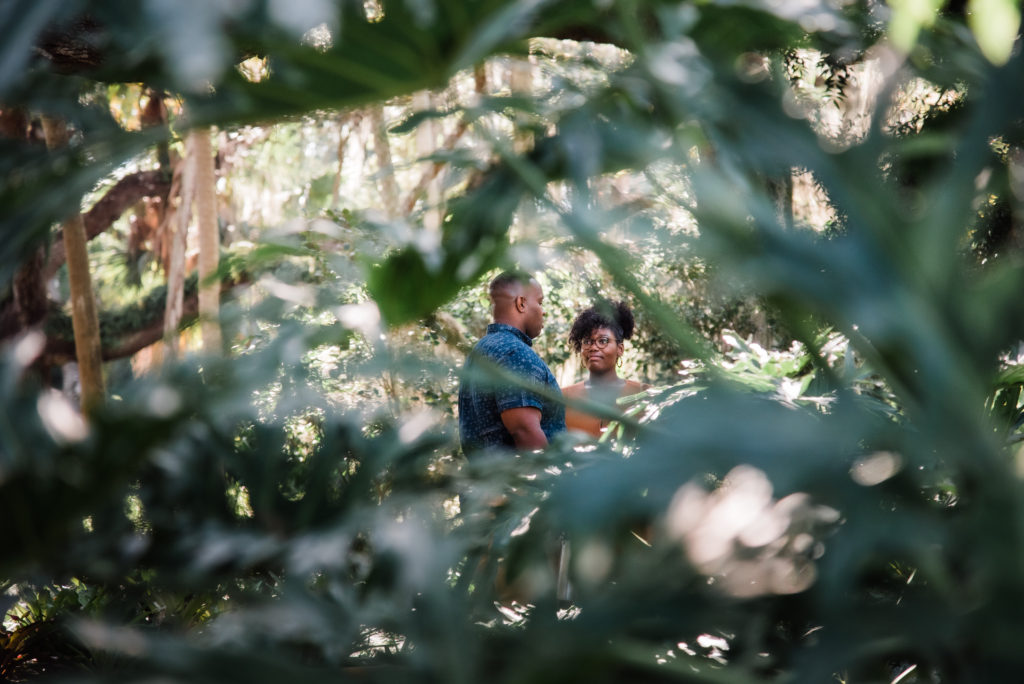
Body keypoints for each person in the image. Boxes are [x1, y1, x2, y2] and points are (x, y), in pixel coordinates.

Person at [458, 271, 566, 454]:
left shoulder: (479, 351)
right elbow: (524, 432)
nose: (543, 310)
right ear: (521, 303)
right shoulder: (515, 353)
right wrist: (556, 479)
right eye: (539, 302)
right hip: (524, 481)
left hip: (486, 478)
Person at [562, 300, 649, 438]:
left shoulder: (644, 394)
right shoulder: (563, 398)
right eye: (587, 342)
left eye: (603, 341)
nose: (593, 347)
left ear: (619, 349)